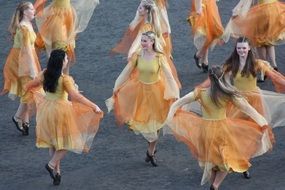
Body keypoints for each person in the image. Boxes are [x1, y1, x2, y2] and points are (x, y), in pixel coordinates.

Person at [166, 66, 273, 190]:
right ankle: (216, 185)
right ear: (223, 78)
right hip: (222, 130)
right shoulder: (228, 94)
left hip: (204, 130)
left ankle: (214, 186)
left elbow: (178, 103)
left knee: (210, 161)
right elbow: (247, 108)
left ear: (210, 79)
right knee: (227, 160)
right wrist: (262, 121)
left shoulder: (200, 93)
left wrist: (170, 116)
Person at [25, 49, 103, 185]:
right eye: (66, 59)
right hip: (61, 111)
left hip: (46, 110)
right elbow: (76, 96)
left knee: (54, 142)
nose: (67, 60)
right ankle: (51, 165)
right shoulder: (65, 79)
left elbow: (32, 85)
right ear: (62, 62)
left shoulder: (45, 74)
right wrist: (93, 106)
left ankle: (57, 172)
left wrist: (39, 95)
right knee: (68, 142)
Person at [106, 31, 179, 167]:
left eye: (145, 41)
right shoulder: (138, 56)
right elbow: (126, 72)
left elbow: (169, 76)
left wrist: (175, 93)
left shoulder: (159, 57)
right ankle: (151, 150)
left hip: (158, 93)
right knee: (146, 123)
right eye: (142, 41)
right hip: (141, 92)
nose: (143, 43)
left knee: (157, 123)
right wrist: (116, 87)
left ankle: (150, 151)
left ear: (152, 42)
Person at [111, 0, 181, 88]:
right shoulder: (154, 20)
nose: (139, 9)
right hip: (157, 33)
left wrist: (131, 52)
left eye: (141, 8)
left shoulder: (146, 29)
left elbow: (135, 30)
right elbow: (162, 15)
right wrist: (167, 28)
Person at [1, 1, 41, 136]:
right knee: (30, 89)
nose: (34, 10)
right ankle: (18, 117)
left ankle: (25, 122)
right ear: (24, 12)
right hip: (21, 61)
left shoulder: (27, 25)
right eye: (31, 9)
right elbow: (27, 51)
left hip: (21, 58)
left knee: (29, 89)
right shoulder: (24, 28)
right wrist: (32, 69)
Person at [223, 0, 285, 70]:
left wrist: (238, 12)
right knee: (269, 41)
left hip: (263, 11)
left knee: (259, 42)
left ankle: (264, 69)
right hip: (273, 9)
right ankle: (274, 65)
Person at [34, 0, 100, 65]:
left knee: (66, 45)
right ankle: (51, 68)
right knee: (58, 44)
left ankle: (62, 71)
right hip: (58, 16)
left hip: (67, 15)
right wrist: (33, 9)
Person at [188, 0, 224, 72]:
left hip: (210, 6)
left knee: (211, 33)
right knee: (208, 33)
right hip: (203, 7)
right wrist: (198, 8)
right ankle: (202, 58)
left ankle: (201, 57)